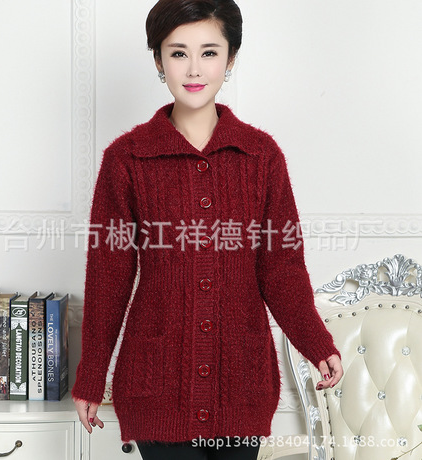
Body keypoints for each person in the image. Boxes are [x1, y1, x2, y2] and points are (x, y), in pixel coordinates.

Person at [72, 1, 344, 459]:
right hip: (157, 384)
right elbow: (108, 278)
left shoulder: (261, 157)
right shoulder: (127, 159)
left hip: (242, 380)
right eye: (178, 53)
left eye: (210, 52)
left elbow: (281, 268)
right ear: (158, 60)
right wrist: (91, 375)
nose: (194, 69)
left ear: (231, 58)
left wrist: (316, 343)